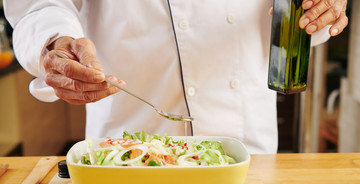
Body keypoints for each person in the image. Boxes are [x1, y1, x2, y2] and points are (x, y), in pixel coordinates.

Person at [3, 0, 348, 154]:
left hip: (246, 143)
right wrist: (53, 40)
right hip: (128, 142)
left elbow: (297, 11)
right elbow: (38, 5)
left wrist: (323, 8)